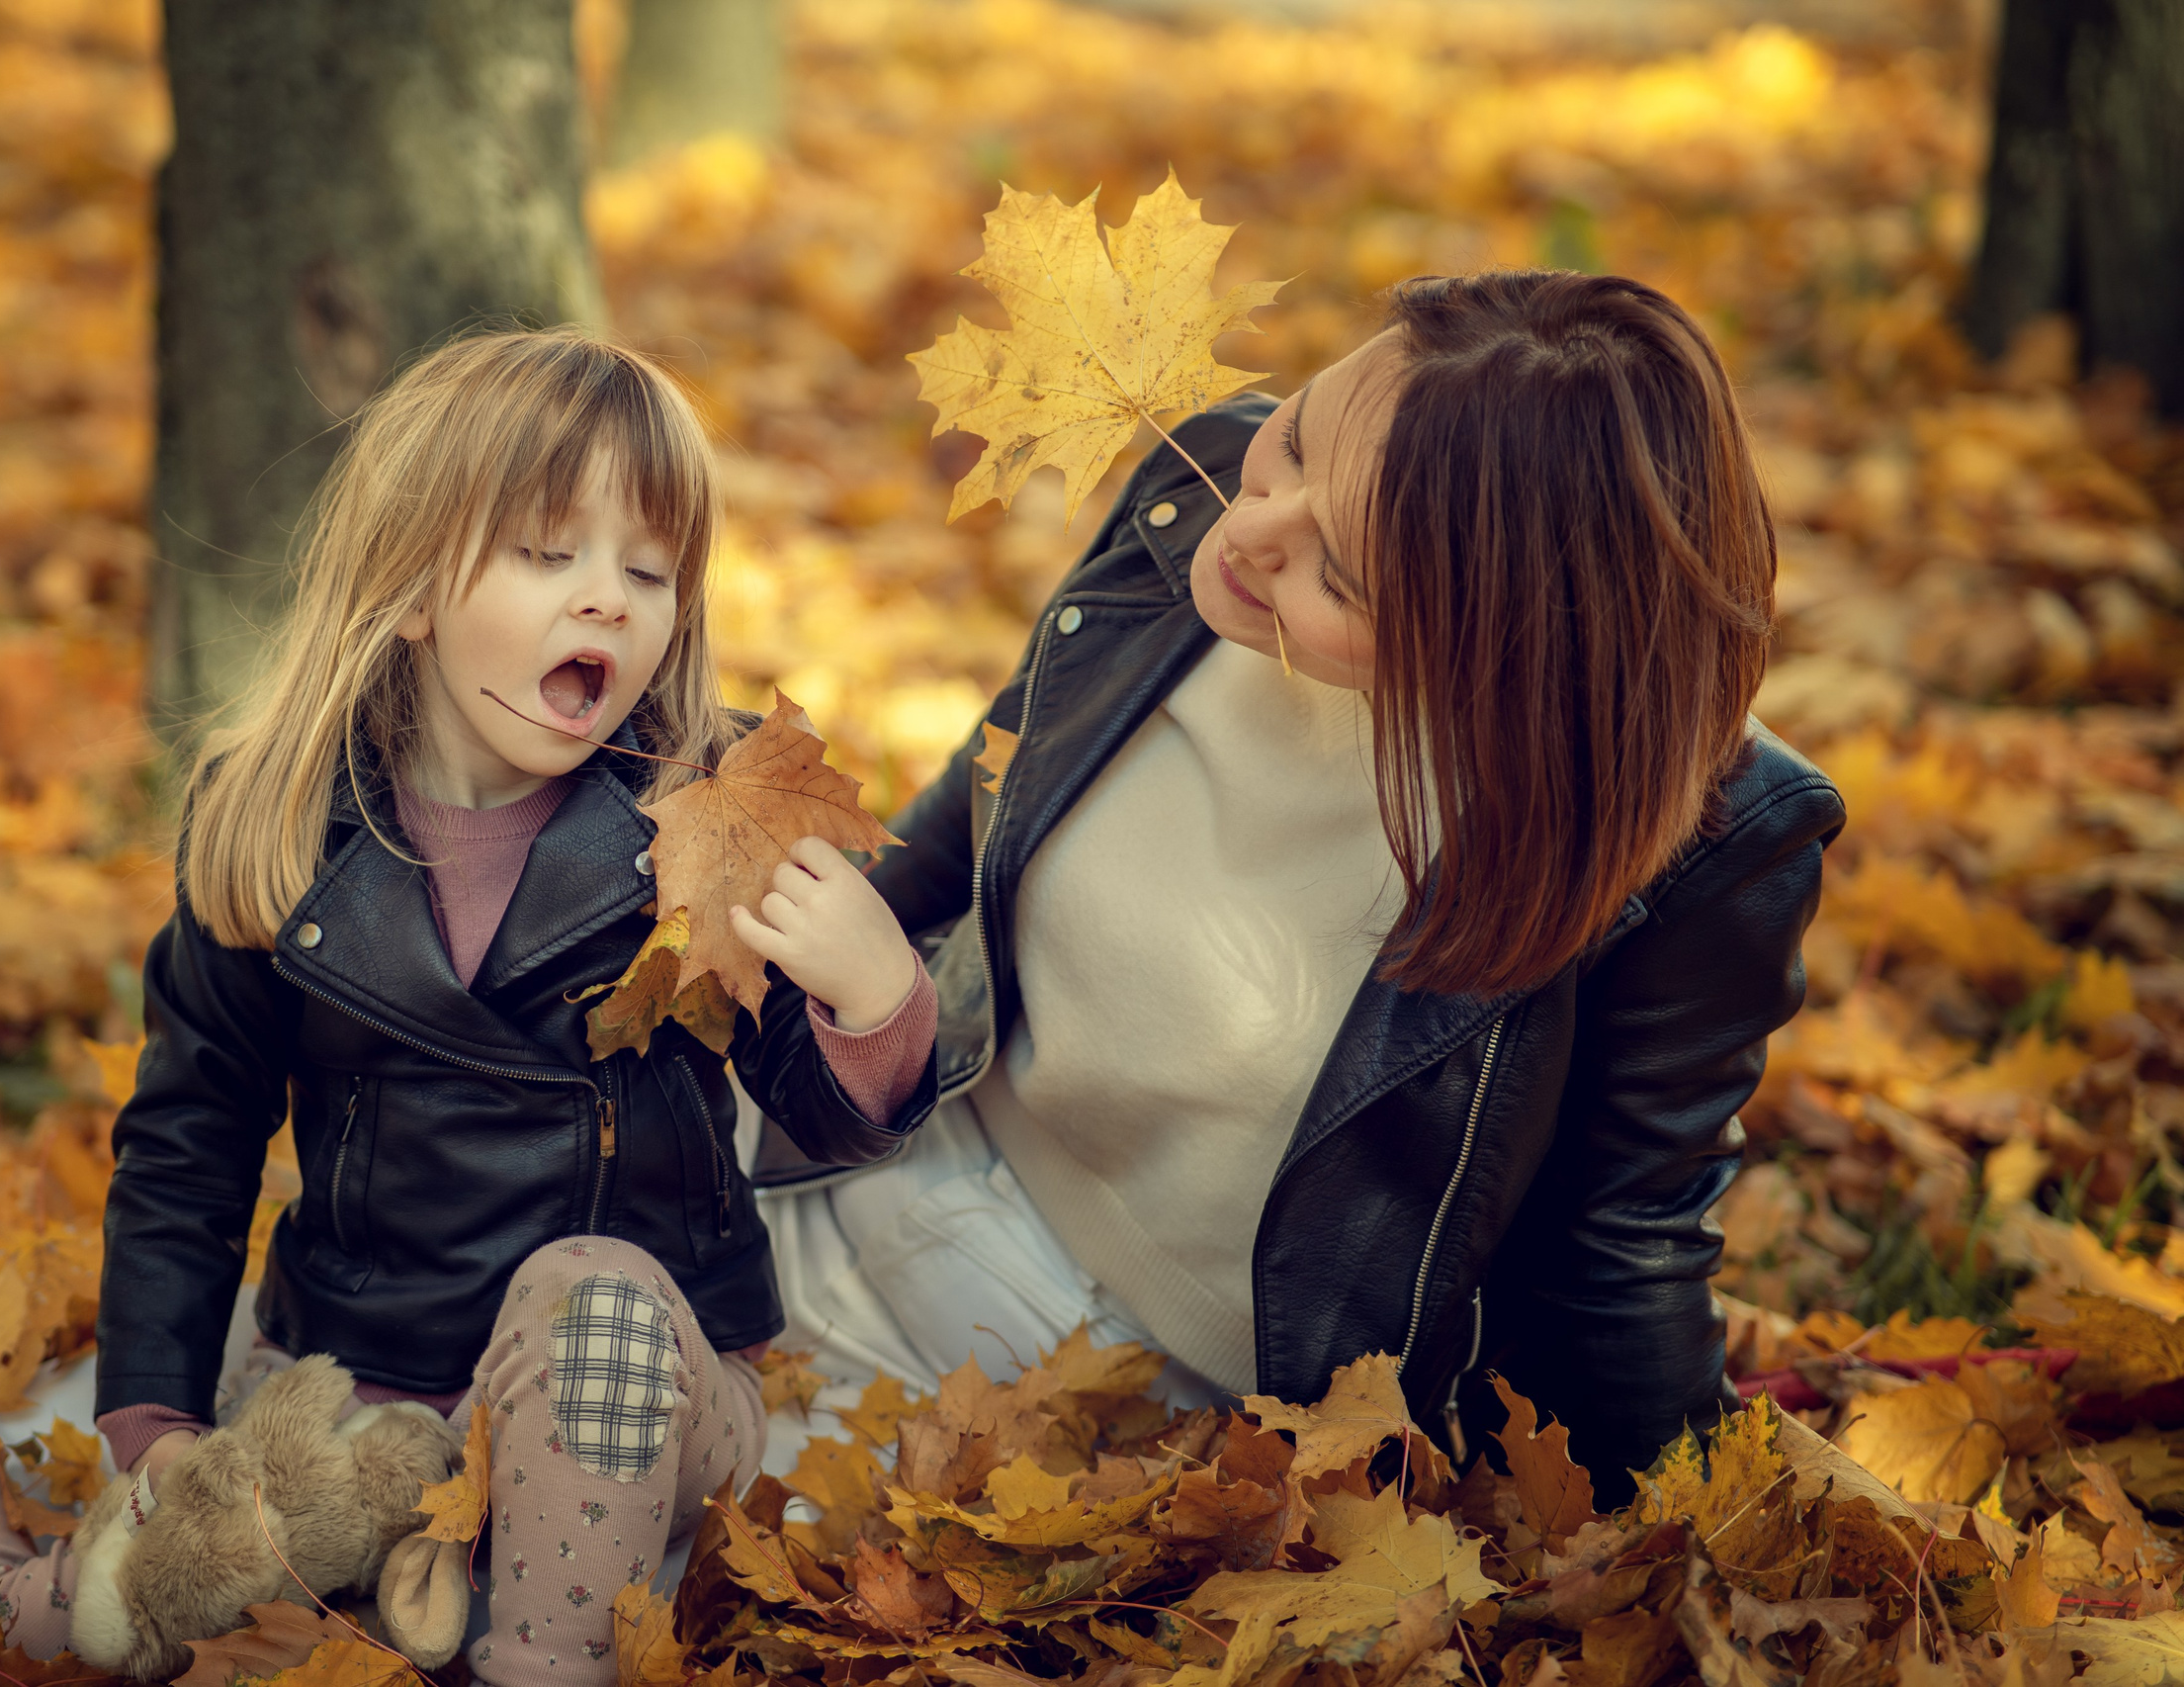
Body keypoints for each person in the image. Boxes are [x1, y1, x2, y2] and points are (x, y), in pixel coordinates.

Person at [0, 328, 939, 1676]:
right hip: (353, 1387)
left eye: (647, 570)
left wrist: (875, 998)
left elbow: (822, 1116)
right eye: (546, 553)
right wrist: (159, 1419)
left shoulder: (695, 820)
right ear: (409, 585)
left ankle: (538, 1656)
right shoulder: (285, 828)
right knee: (111, 1617)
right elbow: (192, 1139)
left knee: (602, 1304)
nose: (608, 601)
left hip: (628, 1408)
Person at [765, 269, 1844, 1497]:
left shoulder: (1699, 843)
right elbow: (959, 840)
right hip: (872, 1138)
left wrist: (1693, 1540)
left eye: (1336, 575)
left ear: (1499, 649)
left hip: (1090, 1385)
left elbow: (1616, 1254)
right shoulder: (1204, 481)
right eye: (1296, 442)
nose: (1247, 528)